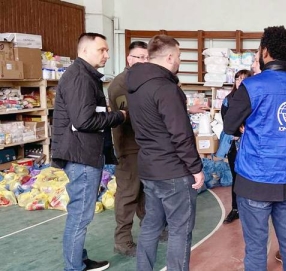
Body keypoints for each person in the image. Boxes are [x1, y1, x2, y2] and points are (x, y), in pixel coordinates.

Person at [224, 26, 286, 271]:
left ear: (265, 51)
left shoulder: (252, 86)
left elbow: (229, 125)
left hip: (256, 179)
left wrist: (245, 124)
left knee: (256, 246)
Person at [126, 34, 205, 271]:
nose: (179, 61)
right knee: (180, 229)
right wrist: (196, 168)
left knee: (151, 225)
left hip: (149, 167)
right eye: (179, 57)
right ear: (170, 57)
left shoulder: (135, 84)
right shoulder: (166, 88)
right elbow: (180, 134)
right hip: (173, 170)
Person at [52, 32, 126, 271]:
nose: (106, 54)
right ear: (84, 51)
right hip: (81, 155)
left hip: (83, 153)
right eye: (102, 50)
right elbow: (84, 121)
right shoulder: (80, 78)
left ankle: (79, 260)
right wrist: (119, 116)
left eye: (106, 50)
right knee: (80, 215)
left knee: (80, 213)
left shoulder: (85, 75)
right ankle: (74, 267)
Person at [107, 41, 161, 257]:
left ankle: (151, 231)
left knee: (145, 194)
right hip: (129, 148)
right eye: (138, 57)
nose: (143, 61)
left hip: (145, 146)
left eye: (146, 58)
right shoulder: (121, 84)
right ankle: (123, 241)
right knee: (128, 194)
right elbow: (127, 116)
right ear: (129, 59)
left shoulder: (143, 81)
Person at [218, 69, 252, 224]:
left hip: (251, 144)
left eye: (244, 79)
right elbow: (227, 120)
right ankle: (235, 208)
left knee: (250, 178)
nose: (240, 81)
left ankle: (251, 209)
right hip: (234, 144)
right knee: (236, 177)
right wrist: (237, 129)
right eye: (238, 79)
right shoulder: (228, 99)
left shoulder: (254, 97)